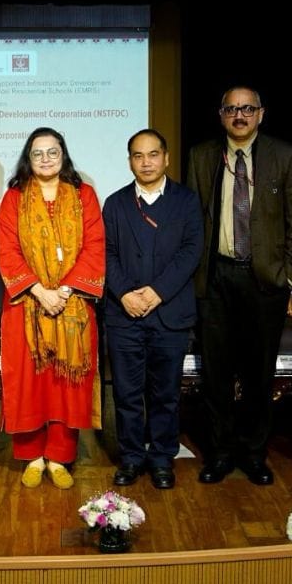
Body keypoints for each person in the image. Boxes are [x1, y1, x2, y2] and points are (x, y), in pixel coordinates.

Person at [186, 86, 292, 486]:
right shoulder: (202, 155)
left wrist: (289, 278)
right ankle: (220, 453)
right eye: (232, 109)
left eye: (247, 109)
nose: (240, 115)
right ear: (221, 114)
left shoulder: (284, 155)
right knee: (216, 374)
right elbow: (194, 218)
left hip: (264, 281)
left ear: (261, 113)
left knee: (259, 373)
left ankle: (254, 454)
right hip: (215, 277)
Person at [0, 127, 104, 490]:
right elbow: (7, 248)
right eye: (37, 153)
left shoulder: (84, 195)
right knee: (29, 382)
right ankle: (32, 456)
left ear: (63, 155)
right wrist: (40, 291)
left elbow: (94, 245)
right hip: (26, 305)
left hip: (72, 306)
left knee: (65, 383)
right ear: (28, 159)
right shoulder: (14, 198)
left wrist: (65, 290)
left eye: (52, 152)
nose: (45, 159)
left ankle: (59, 456)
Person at [102, 129, 203, 489]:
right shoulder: (115, 203)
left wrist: (158, 292)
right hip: (124, 313)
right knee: (127, 393)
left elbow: (191, 251)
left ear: (166, 158)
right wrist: (125, 294)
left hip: (169, 312)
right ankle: (131, 457)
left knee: (165, 394)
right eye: (138, 155)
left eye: (153, 154)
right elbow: (106, 253)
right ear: (130, 161)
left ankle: (162, 458)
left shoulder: (186, 201)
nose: (146, 162)